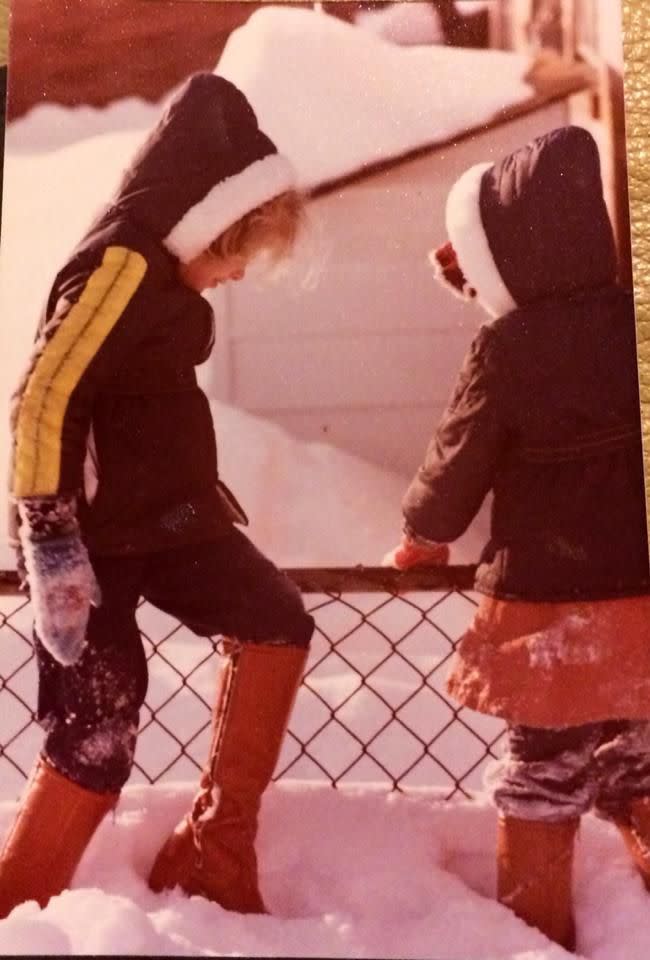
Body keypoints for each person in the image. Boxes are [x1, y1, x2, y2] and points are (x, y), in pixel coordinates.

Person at [1, 72, 314, 918]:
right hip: (90, 540)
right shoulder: (121, 263)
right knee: (95, 738)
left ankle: (215, 850)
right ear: (206, 220)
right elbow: (43, 400)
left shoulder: (168, 280)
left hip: (173, 523)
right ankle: (16, 915)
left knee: (276, 620)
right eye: (236, 247)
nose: (241, 270)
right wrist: (53, 541)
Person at [384, 125, 650, 952]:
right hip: (640, 602)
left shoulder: (505, 349)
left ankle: (536, 935)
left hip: (546, 612)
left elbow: (457, 460)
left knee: (542, 774)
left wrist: (423, 537)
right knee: (640, 759)